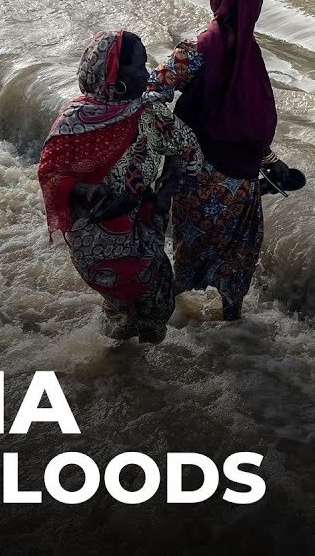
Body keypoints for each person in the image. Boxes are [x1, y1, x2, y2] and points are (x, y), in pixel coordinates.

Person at [38, 30, 202, 343]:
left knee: (122, 308)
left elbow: (186, 147)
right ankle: (142, 379)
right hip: (108, 237)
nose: (147, 73)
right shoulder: (135, 116)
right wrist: (91, 191)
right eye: (139, 67)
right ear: (116, 76)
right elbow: (50, 174)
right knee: (156, 302)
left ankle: (118, 363)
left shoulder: (77, 120)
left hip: (104, 243)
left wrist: (163, 195)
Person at [150, 0, 291, 321]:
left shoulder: (196, 49)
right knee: (237, 251)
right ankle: (232, 321)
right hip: (240, 180)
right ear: (254, 4)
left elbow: (154, 91)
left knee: (190, 245)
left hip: (196, 172)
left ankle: (161, 313)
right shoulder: (251, 56)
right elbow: (254, 123)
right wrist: (270, 162)